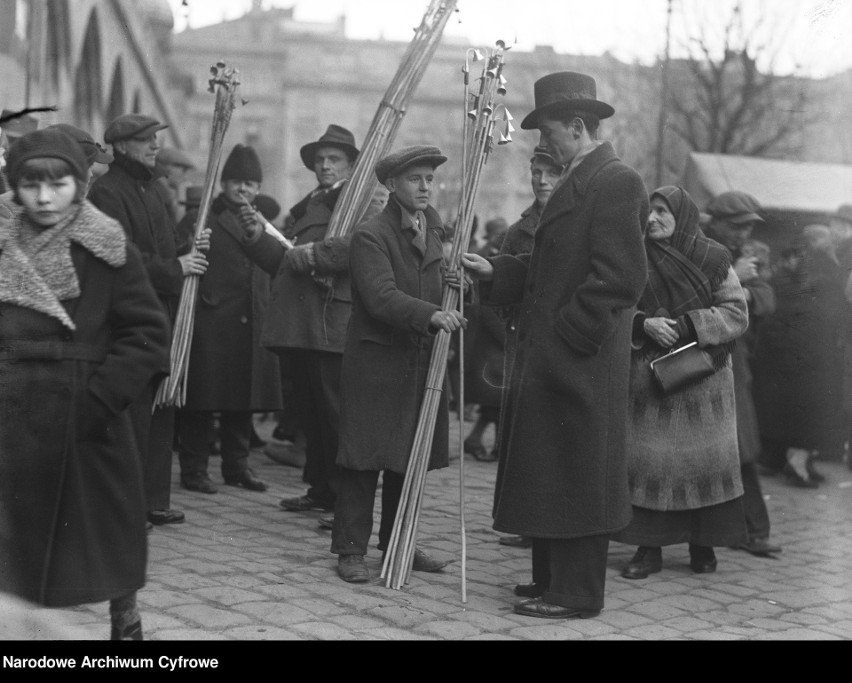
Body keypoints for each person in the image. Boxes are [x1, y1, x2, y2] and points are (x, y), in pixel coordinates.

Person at [461, 71, 649, 619]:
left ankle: (577, 593)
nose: (541, 143)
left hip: (580, 358)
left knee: (577, 472)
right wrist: (495, 270)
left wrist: (569, 336)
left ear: (577, 125)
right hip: (557, 356)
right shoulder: (576, 180)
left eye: (548, 132)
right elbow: (552, 270)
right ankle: (549, 580)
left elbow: (619, 279)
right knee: (554, 468)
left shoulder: (615, 182)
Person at [0, 128, 171, 639]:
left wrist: (100, 398)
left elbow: (145, 333)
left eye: (59, 184)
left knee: (105, 529)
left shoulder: (108, 246)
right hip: (9, 407)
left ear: (80, 184)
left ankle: (125, 616)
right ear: (14, 186)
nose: (45, 198)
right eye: (31, 185)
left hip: (85, 411)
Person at [329, 145, 461, 582]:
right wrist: (431, 314)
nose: (425, 187)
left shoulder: (436, 233)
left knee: (410, 455)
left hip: (420, 362)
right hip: (377, 363)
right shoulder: (372, 236)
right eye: (414, 179)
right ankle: (350, 550)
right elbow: (380, 296)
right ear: (390, 185)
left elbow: (442, 290)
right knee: (364, 458)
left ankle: (398, 541)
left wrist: (460, 290)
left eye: (429, 179)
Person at [612, 185, 749, 579]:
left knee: (703, 466)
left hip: (704, 381)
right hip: (650, 382)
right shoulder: (633, 256)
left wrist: (692, 324)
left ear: (683, 217)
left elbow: (736, 313)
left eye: (661, 211)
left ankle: (702, 544)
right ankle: (648, 548)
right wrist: (643, 323)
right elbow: (618, 307)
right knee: (651, 464)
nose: (651, 218)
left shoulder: (714, 258)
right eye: (649, 211)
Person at [244, 124, 381, 516]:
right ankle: (321, 489)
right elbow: (283, 261)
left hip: (331, 320)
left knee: (335, 415)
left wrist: (312, 255)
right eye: (320, 159)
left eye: (334, 159)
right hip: (301, 323)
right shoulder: (308, 205)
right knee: (310, 414)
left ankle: (346, 502)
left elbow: (360, 245)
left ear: (353, 166)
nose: (325, 165)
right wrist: (255, 238)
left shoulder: (364, 200)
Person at [89, 113, 210, 527]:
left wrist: (189, 244)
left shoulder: (153, 190)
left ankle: (153, 499)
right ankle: (125, 506)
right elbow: (119, 254)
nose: (155, 146)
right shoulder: (105, 192)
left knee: (160, 409)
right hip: (126, 316)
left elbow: (163, 245)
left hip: (159, 314)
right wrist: (176, 265)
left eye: (156, 139)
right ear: (122, 147)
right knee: (133, 413)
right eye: (146, 140)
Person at [175, 144, 281, 494]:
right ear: (223, 183)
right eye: (236, 181)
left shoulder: (262, 222)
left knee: (242, 402)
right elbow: (179, 256)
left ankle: (237, 468)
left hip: (251, 321)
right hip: (211, 320)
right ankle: (194, 470)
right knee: (201, 402)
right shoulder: (200, 216)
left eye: (251, 183)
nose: (243, 189)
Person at [703, 190, 782, 557]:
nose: (743, 233)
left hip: (736, 363)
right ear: (716, 221)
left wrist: (744, 292)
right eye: (737, 226)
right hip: (699, 358)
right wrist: (737, 281)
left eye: (749, 226)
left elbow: (768, 299)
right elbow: (691, 296)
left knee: (742, 445)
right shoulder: (700, 248)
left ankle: (754, 529)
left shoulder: (752, 256)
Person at [496, 146, 562, 551]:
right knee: (522, 436)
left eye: (550, 172)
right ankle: (527, 520)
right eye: (535, 171)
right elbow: (499, 291)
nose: (540, 179)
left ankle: (550, 522)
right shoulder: (517, 231)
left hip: (559, 343)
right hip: (521, 344)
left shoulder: (575, 222)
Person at [751, 224, 846, 488]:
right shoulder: (813, 270)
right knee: (804, 413)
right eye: (825, 239)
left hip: (803, 354)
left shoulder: (801, 270)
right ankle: (797, 465)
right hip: (805, 356)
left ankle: (797, 462)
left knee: (801, 412)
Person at [462, 217, 509, 462]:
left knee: (498, 399)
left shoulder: (495, 257)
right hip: (492, 346)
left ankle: (485, 441)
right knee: (497, 397)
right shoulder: (483, 257)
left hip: (495, 344)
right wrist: (507, 337)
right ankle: (490, 443)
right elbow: (486, 308)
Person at [155, 147, 196, 223]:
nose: (185, 177)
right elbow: (179, 225)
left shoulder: (161, 190)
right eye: (183, 170)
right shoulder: (159, 191)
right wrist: (181, 193)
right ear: (169, 168)